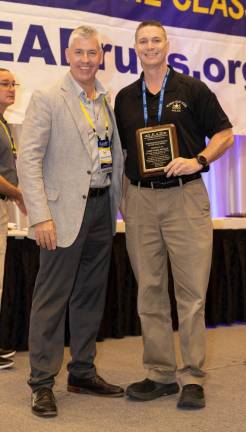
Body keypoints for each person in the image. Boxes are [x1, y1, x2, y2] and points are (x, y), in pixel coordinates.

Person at [114, 20, 233, 409]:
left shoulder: (193, 89)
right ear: (136, 49)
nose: (150, 46)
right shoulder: (125, 97)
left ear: (168, 45)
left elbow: (225, 134)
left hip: (185, 197)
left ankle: (192, 377)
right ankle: (160, 374)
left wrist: (197, 160)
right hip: (141, 201)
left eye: (156, 40)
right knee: (149, 291)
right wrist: (122, 197)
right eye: (143, 41)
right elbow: (122, 154)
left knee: (192, 294)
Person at [17, 25, 124, 417]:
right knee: (51, 298)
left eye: (91, 53)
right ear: (68, 54)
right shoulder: (48, 97)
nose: (85, 59)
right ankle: (41, 383)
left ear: (100, 56)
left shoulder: (105, 100)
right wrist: (41, 215)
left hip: (99, 211)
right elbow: (27, 159)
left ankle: (82, 371)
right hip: (60, 215)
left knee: (90, 296)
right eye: (78, 52)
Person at [0, 68, 26, 370]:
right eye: (4, 84)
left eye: (12, 84)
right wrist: (18, 194)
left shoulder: (4, 124)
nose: (11, 89)